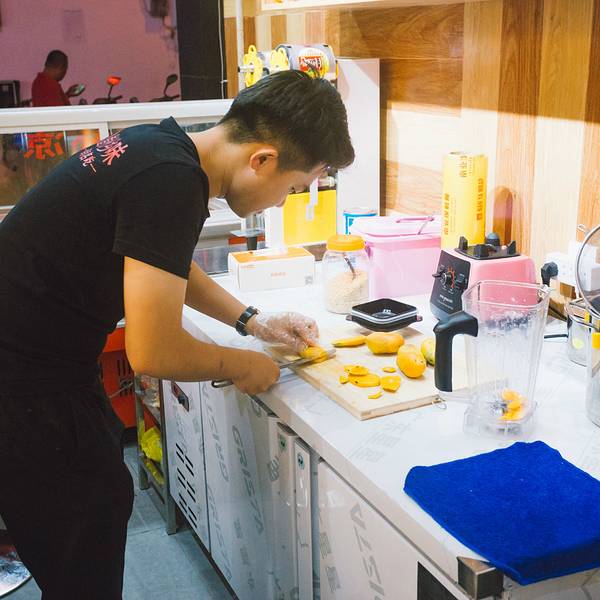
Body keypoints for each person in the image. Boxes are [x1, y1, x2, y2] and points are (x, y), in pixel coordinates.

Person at [0, 70, 354, 599]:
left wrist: (252, 321)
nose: (283, 203)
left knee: (95, 504)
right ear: (262, 160)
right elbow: (152, 352)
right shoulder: (172, 183)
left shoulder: (159, 147)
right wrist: (242, 362)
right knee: (86, 528)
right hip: (25, 385)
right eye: (293, 187)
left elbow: (161, 259)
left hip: (36, 365)